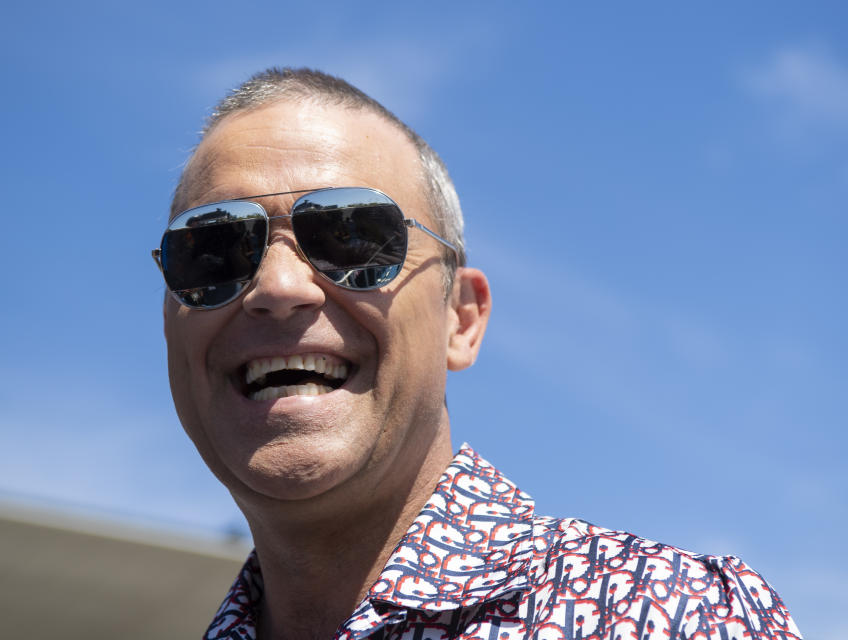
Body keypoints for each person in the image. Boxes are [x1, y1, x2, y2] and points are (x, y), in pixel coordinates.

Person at [156, 68, 803, 640]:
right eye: (212, 251)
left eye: (352, 238)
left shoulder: (676, 617)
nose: (277, 287)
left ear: (460, 320)